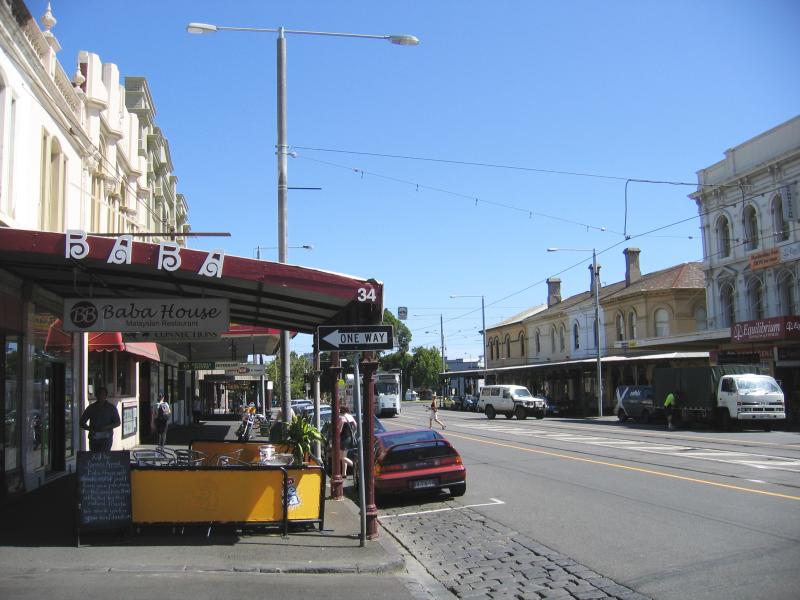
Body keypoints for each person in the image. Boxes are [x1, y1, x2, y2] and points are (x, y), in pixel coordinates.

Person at [80, 387, 120, 451]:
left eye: (103, 394)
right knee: (94, 458)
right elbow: (82, 422)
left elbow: (118, 422)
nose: (101, 396)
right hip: (94, 438)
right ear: (96, 395)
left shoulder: (111, 408)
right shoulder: (91, 408)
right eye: (99, 394)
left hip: (106, 438)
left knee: (105, 457)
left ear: (106, 396)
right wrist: (90, 429)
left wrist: (107, 427)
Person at [337, 406, 357, 477]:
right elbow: (355, 425)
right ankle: (344, 473)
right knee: (344, 456)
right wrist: (353, 432)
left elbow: (339, 430)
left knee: (341, 457)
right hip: (349, 438)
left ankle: (355, 465)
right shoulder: (350, 417)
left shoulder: (342, 418)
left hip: (344, 439)